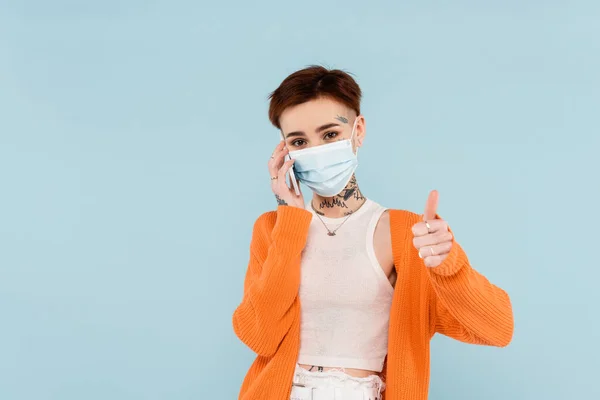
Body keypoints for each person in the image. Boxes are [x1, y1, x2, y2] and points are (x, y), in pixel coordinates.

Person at [232, 65, 514, 400]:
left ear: (358, 130)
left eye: (330, 134)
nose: (316, 150)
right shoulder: (273, 229)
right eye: (299, 141)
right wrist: (290, 220)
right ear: (284, 151)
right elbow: (260, 337)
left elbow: (498, 329)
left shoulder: (405, 234)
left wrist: (449, 267)